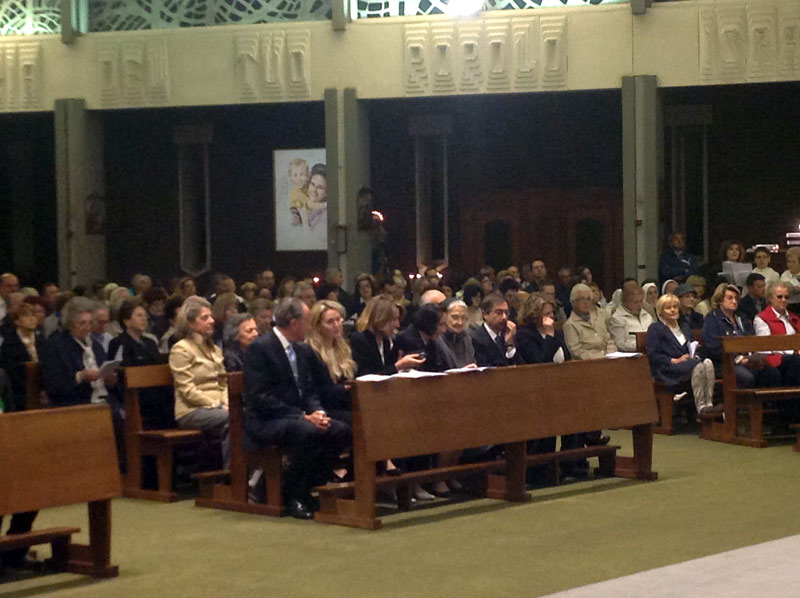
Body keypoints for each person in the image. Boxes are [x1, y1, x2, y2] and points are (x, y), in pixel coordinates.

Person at [243, 298, 351, 520]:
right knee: (309, 432)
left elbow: (310, 390)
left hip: (300, 416)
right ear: (294, 323)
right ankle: (293, 494)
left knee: (340, 430)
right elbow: (260, 397)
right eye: (307, 321)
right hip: (268, 419)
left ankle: (306, 487)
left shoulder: (302, 349)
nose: (310, 327)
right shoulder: (260, 348)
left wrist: (318, 412)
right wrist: (303, 416)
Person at [515, 293, 583, 480]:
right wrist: (549, 337)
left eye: (551, 313)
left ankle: (571, 463)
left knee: (577, 411)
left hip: (560, 387)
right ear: (534, 315)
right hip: (536, 390)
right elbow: (539, 362)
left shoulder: (556, 333)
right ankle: (541, 469)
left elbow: (566, 357)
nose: (550, 317)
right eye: (546, 314)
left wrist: (552, 335)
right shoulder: (525, 335)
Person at [168, 296, 231, 470]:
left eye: (211, 316)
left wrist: (226, 403)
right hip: (191, 411)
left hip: (220, 408)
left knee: (245, 416)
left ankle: (248, 471)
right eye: (205, 318)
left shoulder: (215, 349)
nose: (212, 321)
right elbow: (187, 390)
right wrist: (217, 405)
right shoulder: (181, 349)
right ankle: (233, 473)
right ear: (190, 323)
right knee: (235, 418)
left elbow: (223, 384)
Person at [646, 294, 718, 415]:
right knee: (698, 366)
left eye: (675, 307)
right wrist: (673, 360)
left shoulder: (684, 327)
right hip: (669, 367)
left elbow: (693, 346)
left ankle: (709, 403)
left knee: (707, 363)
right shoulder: (656, 328)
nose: (673, 310)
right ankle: (701, 407)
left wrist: (694, 354)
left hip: (688, 364)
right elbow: (653, 354)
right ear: (660, 312)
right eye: (668, 308)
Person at [701, 283, 780, 389]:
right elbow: (713, 347)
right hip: (724, 363)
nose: (734, 301)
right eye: (730, 298)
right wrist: (739, 359)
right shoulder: (712, 319)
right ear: (720, 299)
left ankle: (767, 400)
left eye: (736, 298)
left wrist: (754, 358)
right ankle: (744, 400)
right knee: (747, 377)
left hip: (747, 360)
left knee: (772, 373)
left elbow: (752, 339)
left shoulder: (741, 318)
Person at [108, 300, 173, 429]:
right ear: (126, 321)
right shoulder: (119, 343)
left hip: (155, 388)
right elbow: (120, 371)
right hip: (135, 393)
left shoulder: (150, 342)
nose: (144, 319)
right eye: (139, 315)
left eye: (145, 316)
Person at [305, 300, 356, 427]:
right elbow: (318, 392)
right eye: (330, 322)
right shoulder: (311, 352)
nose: (336, 325)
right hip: (325, 408)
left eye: (338, 320)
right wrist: (344, 388)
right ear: (318, 326)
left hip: (344, 404)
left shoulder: (344, 348)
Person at [349, 296, 424, 376]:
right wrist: (398, 366)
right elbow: (366, 376)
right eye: (394, 319)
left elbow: (386, 371)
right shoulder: (359, 340)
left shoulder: (386, 342)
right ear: (381, 319)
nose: (397, 325)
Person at [753, 282, 800, 387]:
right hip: (775, 359)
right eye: (779, 297)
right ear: (770, 298)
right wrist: (794, 352)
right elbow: (766, 347)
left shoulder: (793, 317)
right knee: (795, 361)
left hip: (794, 358)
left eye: (786, 297)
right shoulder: (762, 318)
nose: (783, 300)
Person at [0, 303, 45, 411]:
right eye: (26, 316)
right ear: (17, 321)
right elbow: (10, 372)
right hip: (19, 396)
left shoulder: (43, 341)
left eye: (33, 315)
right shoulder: (9, 344)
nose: (32, 319)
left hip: (42, 393)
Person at [563, 283, 617, 360]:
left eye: (588, 299)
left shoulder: (598, 318)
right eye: (582, 299)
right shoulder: (570, 324)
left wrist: (610, 354)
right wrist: (601, 357)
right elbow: (576, 351)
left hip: (607, 358)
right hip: (587, 363)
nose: (586, 302)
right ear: (573, 302)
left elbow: (609, 341)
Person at [469, 293, 519, 367]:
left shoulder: (508, 334)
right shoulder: (475, 338)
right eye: (499, 313)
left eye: (506, 313)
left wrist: (509, 345)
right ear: (485, 314)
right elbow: (488, 368)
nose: (504, 317)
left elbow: (519, 366)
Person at [395, 303, 447, 373]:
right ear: (429, 323)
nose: (444, 330)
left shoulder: (431, 341)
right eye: (441, 325)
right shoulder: (406, 340)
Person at [607, 284, 653, 352]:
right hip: (631, 356)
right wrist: (641, 343)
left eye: (641, 301)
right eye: (635, 302)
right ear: (625, 302)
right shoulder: (617, 319)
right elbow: (620, 344)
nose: (640, 305)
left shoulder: (647, 316)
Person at [435, 299, 476, 370]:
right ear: (444, 317)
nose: (460, 322)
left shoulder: (466, 337)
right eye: (455, 317)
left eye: (463, 318)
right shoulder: (436, 338)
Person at [288, 157, 310, 226]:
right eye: (295, 175)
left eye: (301, 174)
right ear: (291, 178)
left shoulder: (308, 185)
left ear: (307, 176)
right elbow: (303, 209)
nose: (299, 179)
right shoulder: (295, 194)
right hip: (298, 209)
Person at [780, 246, 800, 312]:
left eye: (794, 262)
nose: (790, 264)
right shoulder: (784, 274)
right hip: (786, 306)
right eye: (789, 261)